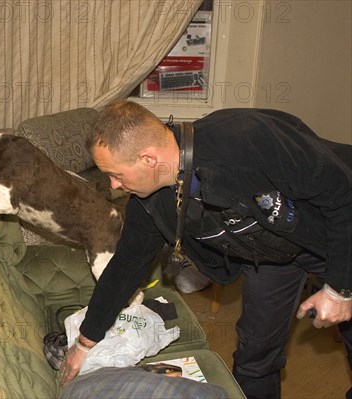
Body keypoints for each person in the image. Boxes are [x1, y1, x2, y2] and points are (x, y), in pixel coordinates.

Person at [59, 100, 352, 399]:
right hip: (270, 257)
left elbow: (343, 196)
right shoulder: (150, 204)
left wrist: (339, 289)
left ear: (148, 159)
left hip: (338, 231)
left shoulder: (248, 138)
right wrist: (85, 342)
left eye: (117, 175)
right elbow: (126, 267)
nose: (114, 185)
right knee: (255, 358)